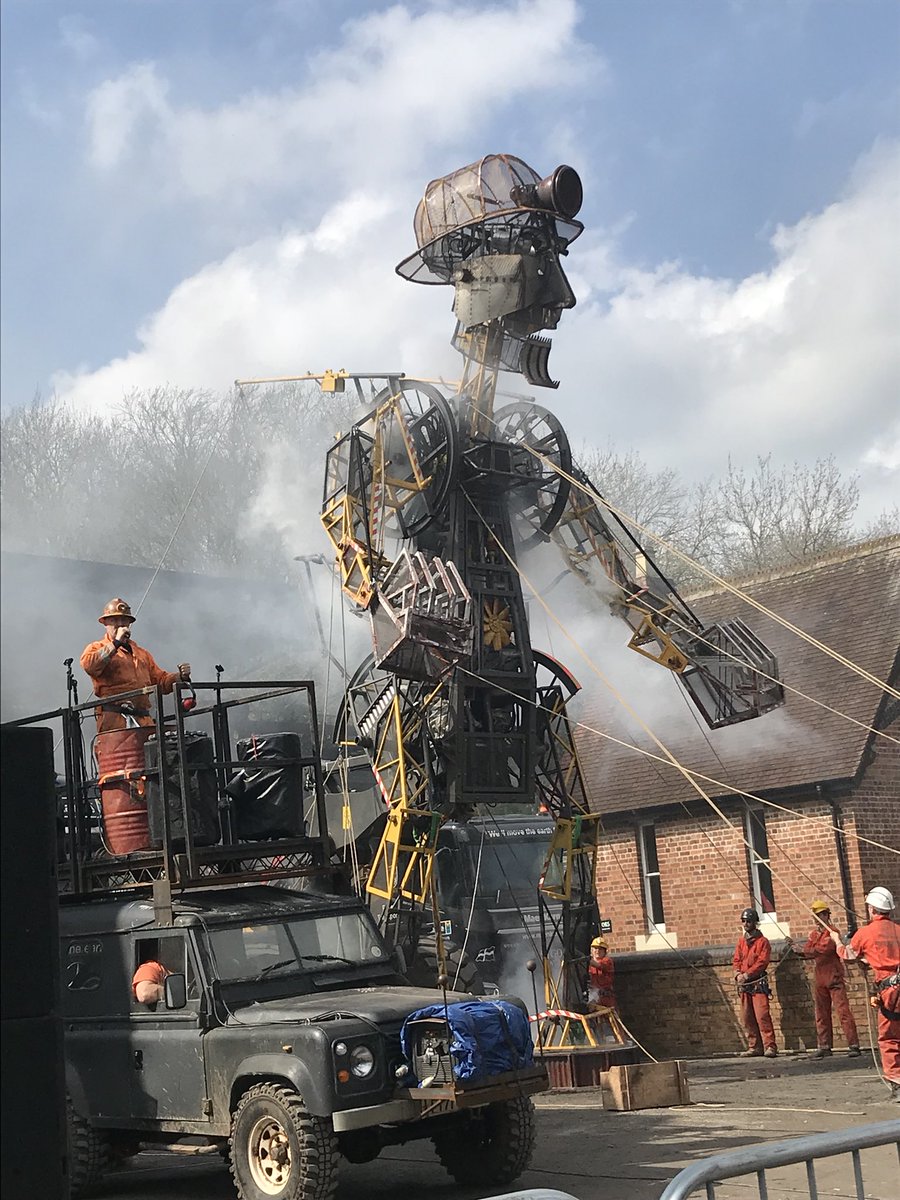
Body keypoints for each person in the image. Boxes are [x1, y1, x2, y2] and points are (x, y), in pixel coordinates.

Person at [80, 598, 190, 734]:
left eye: (124, 620)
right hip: (115, 721)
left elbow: (160, 681)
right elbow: (89, 665)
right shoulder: (97, 647)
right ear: (105, 624)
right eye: (114, 620)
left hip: (143, 720)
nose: (120, 624)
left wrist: (180, 677)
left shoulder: (142, 654)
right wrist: (115, 643)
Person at [830, 887, 900, 1101]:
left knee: (889, 1037)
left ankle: (897, 1081)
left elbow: (847, 954)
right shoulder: (898, 930)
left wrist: (837, 940)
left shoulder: (866, 933)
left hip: (890, 992)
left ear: (872, 909)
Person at [793, 899, 860, 1058]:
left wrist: (802, 950)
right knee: (821, 1013)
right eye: (814, 916)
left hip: (833, 977)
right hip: (820, 978)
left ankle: (853, 1044)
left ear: (826, 915)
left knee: (843, 1012)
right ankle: (824, 1046)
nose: (816, 920)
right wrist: (802, 949)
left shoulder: (832, 933)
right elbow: (809, 949)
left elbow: (822, 949)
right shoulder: (815, 934)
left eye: (818, 916)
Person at [733, 907, 778, 1058]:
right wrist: (737, 973)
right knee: (747, 1017)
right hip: (745, 985)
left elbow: (762, 962)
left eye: (748, 921)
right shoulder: (741, 941)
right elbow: (737, 959)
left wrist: (747, 975)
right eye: (743, 921)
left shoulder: (763, 942)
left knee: (762, 1015)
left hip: (757, 983)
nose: (745, 924)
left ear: (755, 922)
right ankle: (754, 1046)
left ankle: (770, 1046)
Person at [587, 936, 616, 1011]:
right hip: (594, 995)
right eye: (595, 948)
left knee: (608, 1015)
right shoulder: (589, 964)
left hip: (606, 998)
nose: (597, 951)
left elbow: (598, 965)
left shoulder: (607, 961)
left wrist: (584, 959)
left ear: (605, 951)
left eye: (600, 949)